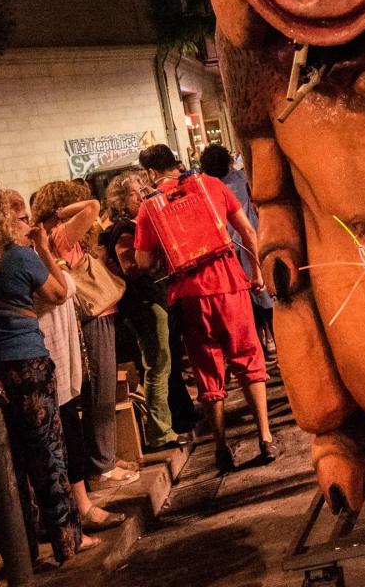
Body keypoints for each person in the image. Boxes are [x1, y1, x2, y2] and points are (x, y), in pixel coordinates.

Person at [0, 182, 93, 562]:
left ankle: (21, 550)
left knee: (1, 462)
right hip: (26, 366)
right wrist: (42, 247)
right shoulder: (18, 257)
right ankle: (66, 540)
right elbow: (60, 294)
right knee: (46, 454)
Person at [134, 144, 273, 473]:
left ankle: (222, 448)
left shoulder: (149, 207)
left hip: (189, 295)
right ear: (175, 163)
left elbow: (143, 262)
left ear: (152, 173)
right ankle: (266, 438)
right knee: (249, 360)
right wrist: (257, 274)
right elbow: (249, 231)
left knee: (208, 370)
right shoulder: (211, 184)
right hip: (229, 285)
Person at [29, 181, 137, 505]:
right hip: (92, 317)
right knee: (100, 392)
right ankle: (101, 466)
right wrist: (63, 211)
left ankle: (104, 459)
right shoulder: (58, 235)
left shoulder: (55, 238)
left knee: (100, 392)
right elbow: (92, 207)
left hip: (98, 314)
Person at [102, 172, 184, 452]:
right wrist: (158, 255)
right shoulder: (125, 229)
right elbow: (130, 268)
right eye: (134, 193)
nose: (141, 195)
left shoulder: (135, 224)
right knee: (157, 366)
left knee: (162, 364)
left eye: (141, 190)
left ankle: (165, 427)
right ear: (120, 201)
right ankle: (161, 432)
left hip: (151, 300)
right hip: (144, 303)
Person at [199, 145, 276, 352]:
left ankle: (258, 344)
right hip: (252, 240)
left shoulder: (206, 189)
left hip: (227, 250)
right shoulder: (242, 179)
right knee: (265, 294)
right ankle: (275, 342)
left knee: (247, 303)